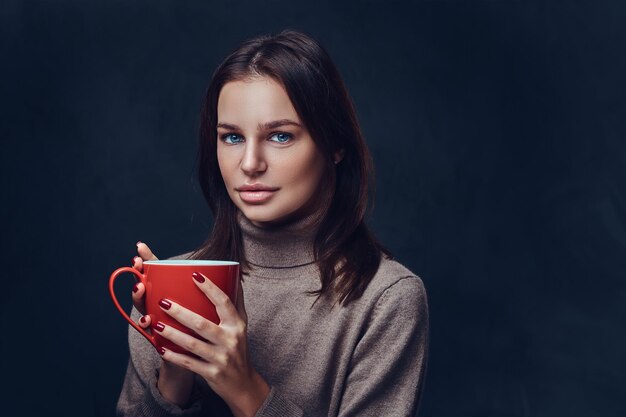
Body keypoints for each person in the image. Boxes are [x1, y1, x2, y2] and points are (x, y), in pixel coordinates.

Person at [116, 30, 429, 417]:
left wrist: (244, 388)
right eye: (231, 137)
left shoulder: (385, 298)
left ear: (335, 145)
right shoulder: (169, 287)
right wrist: (176, 371)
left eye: (280, 136)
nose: (250, 164)